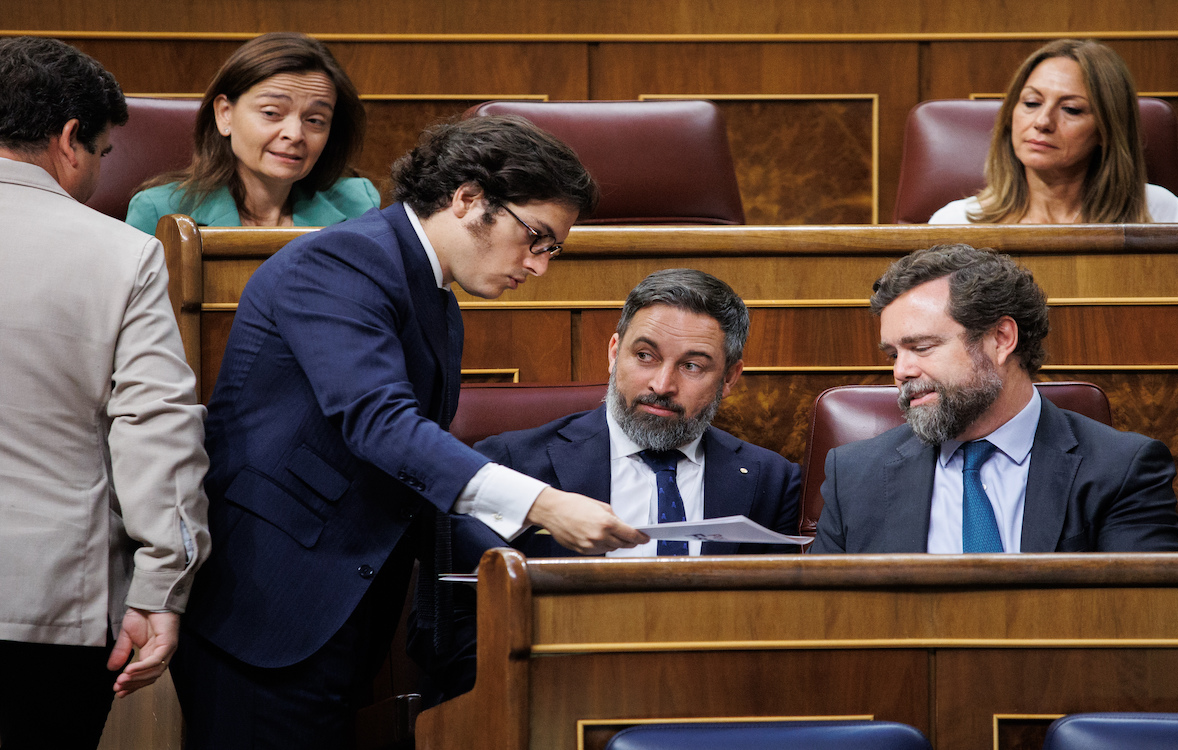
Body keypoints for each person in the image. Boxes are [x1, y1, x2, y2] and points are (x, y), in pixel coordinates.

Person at [172, 115, 649, 749]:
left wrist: (538, 564)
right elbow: (381, 425)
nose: (538, 266)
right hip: (268, 607)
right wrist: (544, 503)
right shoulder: (343, 261)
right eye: (534, 238)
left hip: (340, 613)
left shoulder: (435, 298)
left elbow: (410, 473)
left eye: (551, 249)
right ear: (469, 198)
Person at [410, 268, 803, 704]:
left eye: (692, 366)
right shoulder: (510, 465)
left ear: (729, 378)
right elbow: (448, 628)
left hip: (710, 704)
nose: (661, 385)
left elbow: (779, 625)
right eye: (645, 356)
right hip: (554, 701)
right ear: (615, 353)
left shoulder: (771, 480)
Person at [0, 37, 210, 748]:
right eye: (103, 152)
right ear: (69, 141)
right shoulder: (122, 254)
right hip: (45, 606)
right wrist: (161, 588)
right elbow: (157, 431)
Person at [813, 244, 1178, 554]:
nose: (902, 371)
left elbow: (1141, 623)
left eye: (921, 347)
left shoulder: (1121, 470)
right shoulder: (855, 476)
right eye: (894, 355)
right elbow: (826, 623)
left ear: (1001, 339)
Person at [125, 32, 377, 233]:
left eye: (314, 120)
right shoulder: (159, 212)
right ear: (225, 113)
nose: (295, 134)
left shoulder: (358, 204)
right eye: (271, 113)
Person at [928, 39, 1178, 224]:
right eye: (1031, 103)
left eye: (1071, 109)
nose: (1043, 121)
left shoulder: (1158, 212)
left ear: (1106, 130)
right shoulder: (957, 222)